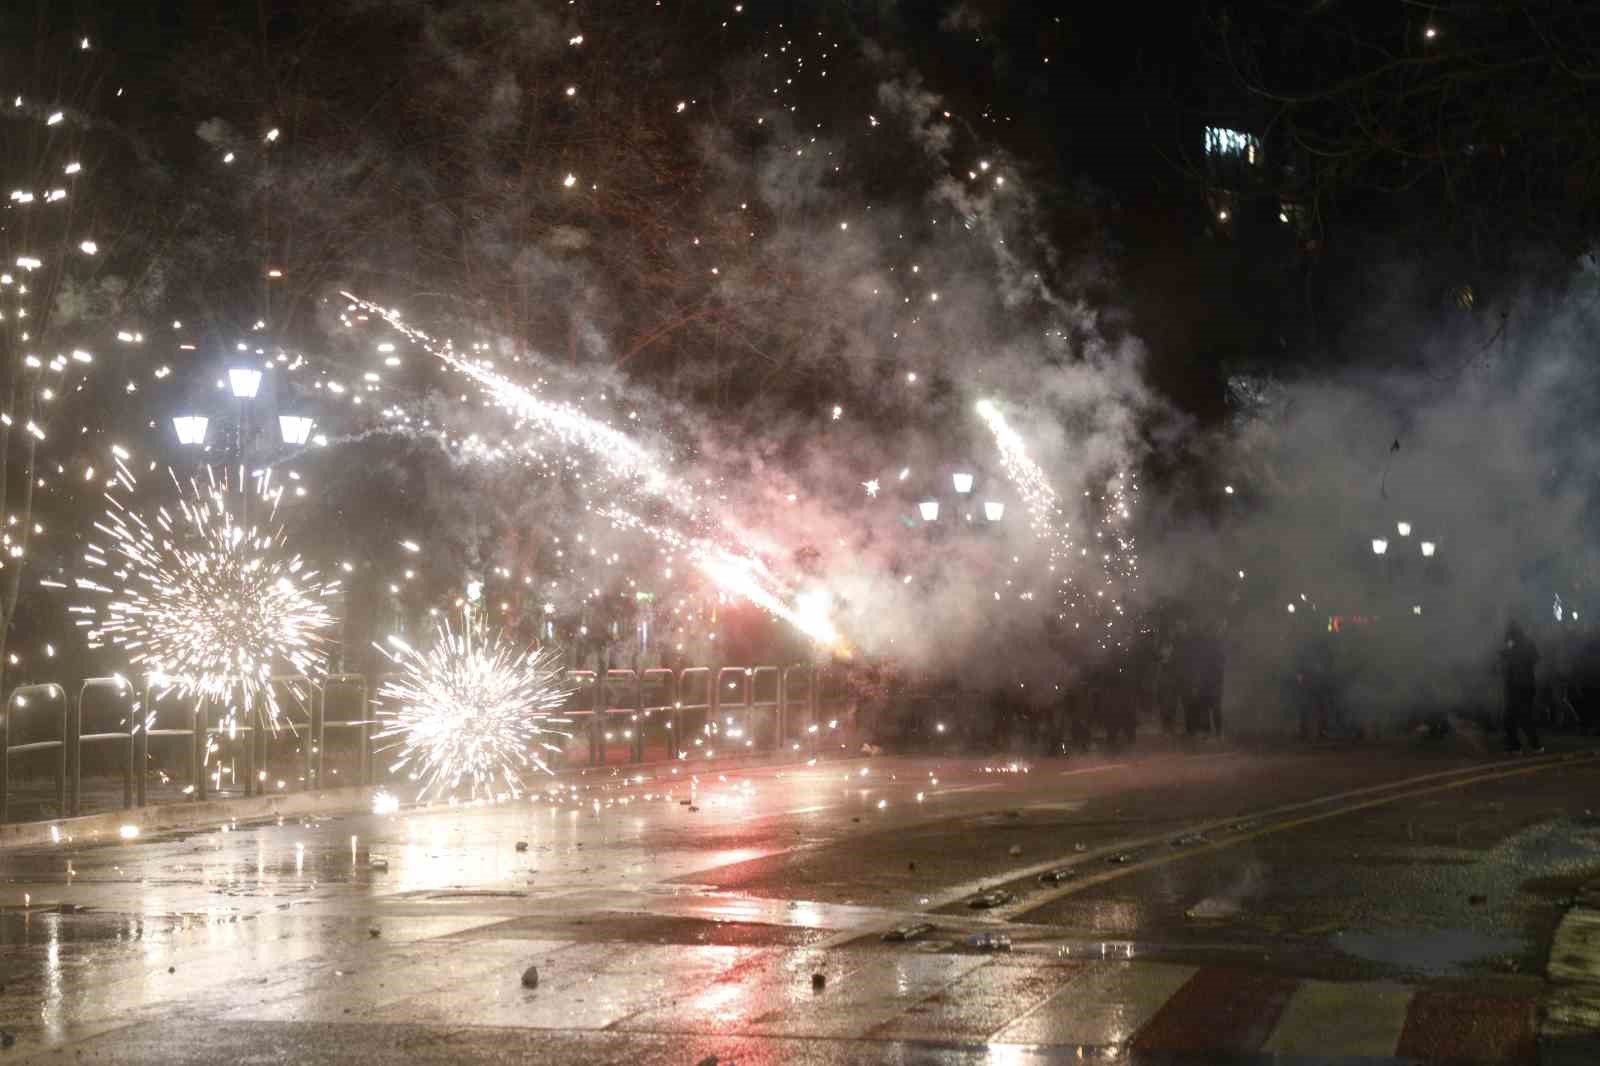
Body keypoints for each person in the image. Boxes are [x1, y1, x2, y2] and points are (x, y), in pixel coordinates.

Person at [1501, 620, 1542, 753]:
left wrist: (1511, 655)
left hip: (1517, 686)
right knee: (1524, 716)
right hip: (1527, 685)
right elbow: (1536, 658)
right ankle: (1533, 745)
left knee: (1512, 717)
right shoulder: (1527, 643)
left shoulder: (1513, 644)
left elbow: (1508, 660)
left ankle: (1517, 746)